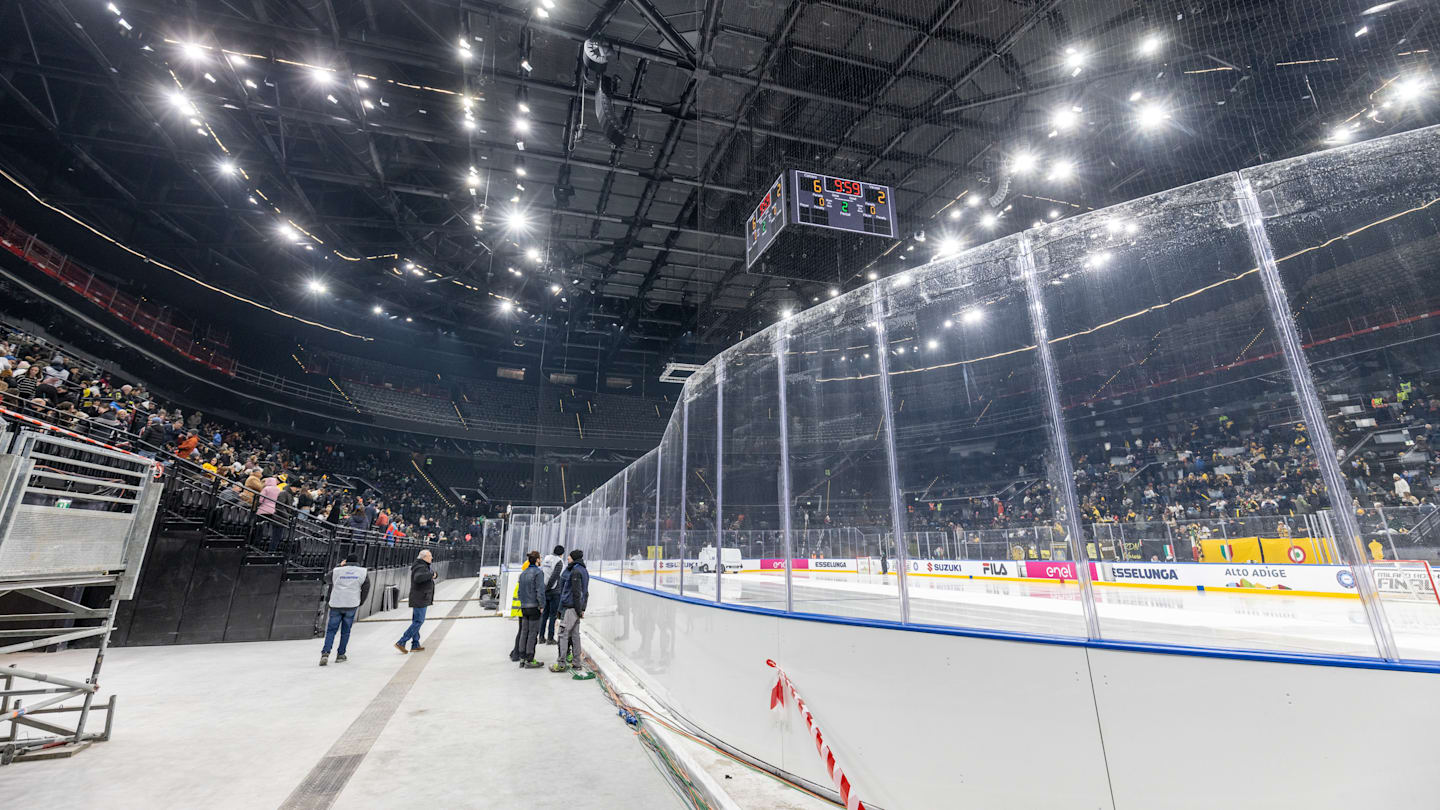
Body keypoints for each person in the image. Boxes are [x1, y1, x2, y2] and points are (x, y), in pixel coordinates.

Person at [320, 555, 369, 666]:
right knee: (345, 631)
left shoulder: (337, 570)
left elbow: (326, 579)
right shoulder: (362, 572)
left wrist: (338, 566)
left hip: (336, 603)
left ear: (345, 561)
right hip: (351, 603)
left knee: (331, 630)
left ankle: (325, 653)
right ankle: (341, 655)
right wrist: (360, 601)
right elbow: (366, 588)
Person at [551, 549, 589, 673]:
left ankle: (561, 663)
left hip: (571, 608)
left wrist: (578, 610)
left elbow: (576, 592)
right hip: (577, 608)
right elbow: (586, 592)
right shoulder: (584, 570)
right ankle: (577, 663)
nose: (567, 558)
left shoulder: (575, 571)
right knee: (575, 636)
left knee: (563, 634)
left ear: (574, 558)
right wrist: (582, 609)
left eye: (569, 556)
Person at [396, 549, 435, 653]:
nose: (431, 558)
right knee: (418, 621)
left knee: (416, 621)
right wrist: (431, 575)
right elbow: (418, 578)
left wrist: (433, 574)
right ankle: (402, 641)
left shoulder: (422, 566)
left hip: (420, 597)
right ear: (424, 557)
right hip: (420, 598)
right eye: (430, 556)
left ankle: (415, 644)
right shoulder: (420, 567)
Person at [516, 551, 546, 669]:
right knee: (533, 633)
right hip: (534, 607)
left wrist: (523, 603)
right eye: (540, 558)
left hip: (524, 607)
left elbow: (519, 592)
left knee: (524, 631)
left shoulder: (523, 574)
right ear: (537, 560)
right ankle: (530, 658)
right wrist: (542, 605)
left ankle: (522, 658)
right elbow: (540, 591)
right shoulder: (538, 573)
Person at [540, 544, 565, 644]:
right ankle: (550, 638)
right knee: (553, 615)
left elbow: (542, 572)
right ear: (561, 554)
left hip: (545, 590)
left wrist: (544, 588)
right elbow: (554, 577)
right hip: (554, 591)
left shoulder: (546, 558)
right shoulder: (559, 561)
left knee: (544, 615)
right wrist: (548, 588)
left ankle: (541, 637)